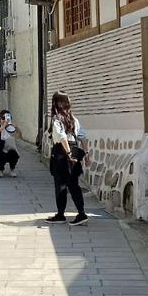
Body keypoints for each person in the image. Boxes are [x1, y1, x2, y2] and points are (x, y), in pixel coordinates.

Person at [47, 91, 88, 224]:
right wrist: (86, 154)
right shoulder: (74, 119)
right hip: (74, 150)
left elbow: (62, 137)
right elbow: (83, 137)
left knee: (61, 185)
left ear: (56, 103)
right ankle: (81, 213)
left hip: (61, 152)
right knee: (74, 185)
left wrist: (68, 153)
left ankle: (60, 215)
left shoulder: (56, 119)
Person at [0, 108, 20, 175]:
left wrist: (17, 128)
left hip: (9, 148)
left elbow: (19, 136)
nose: (5, 120)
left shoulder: (11, 127)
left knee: (14, 154)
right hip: (0, 148)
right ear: (0, 118)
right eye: (3, 118)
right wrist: (3, 126)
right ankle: (1, 169)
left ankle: (12, 169)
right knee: (0, 155)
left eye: (7, 118)